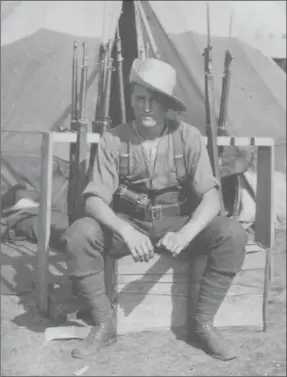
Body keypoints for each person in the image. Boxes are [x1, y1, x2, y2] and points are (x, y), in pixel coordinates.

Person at [63, 58, 246, 361]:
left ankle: (204, 325)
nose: (147, 107)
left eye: (155, 100)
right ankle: (103, 325)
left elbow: (212, 198)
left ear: (167, 105)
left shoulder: (188, 137)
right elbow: (94, 200)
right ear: (132, 100)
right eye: (140, 99)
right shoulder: (113, 139)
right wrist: (126, 231)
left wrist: (187, 233)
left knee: (232, 233)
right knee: (79, 234)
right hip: (129, 224)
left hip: (177, 222)